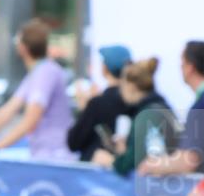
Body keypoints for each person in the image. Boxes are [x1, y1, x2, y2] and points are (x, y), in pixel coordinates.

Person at [0, 19, 73, 161]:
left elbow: (30, 120)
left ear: (23, 48)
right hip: (45, 154)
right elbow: (7, 111)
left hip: (55, 156)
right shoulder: (38, 72)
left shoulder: (45, 73)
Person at [90, 57, 179, 175]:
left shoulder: (148, 115)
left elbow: (139, 160)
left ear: (131, 86)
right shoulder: (159, 108)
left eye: (122, 85)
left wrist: (111, 161)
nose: (120, 91)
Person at [138, 40, 204, 176]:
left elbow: (188, 160)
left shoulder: (200, 106)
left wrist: (153, 165)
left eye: (181, 64)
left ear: (189, 67)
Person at [67, 45, 135, 161]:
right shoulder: (137, 101)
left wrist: (84, 108)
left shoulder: (97, 103)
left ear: (105, 68)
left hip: (95, 173)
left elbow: (73, 142)